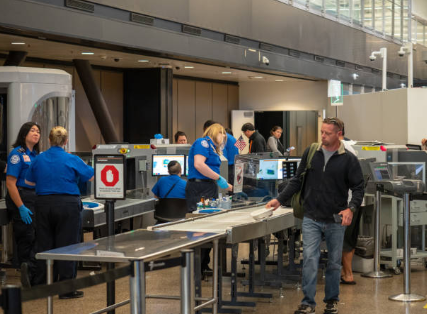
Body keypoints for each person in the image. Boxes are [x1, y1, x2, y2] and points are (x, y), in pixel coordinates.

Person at [266, 117, 364, 314]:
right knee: (310, 259)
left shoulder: (349, 159)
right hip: (311, 217)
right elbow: (296, 180)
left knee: (334, 263)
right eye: (322, 132)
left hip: (335, 219)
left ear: (339, 134)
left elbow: (359, 186)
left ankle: (331, 301)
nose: (323, 136)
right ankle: (308, 302)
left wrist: (351, 208)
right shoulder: (312, 152)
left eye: (327, 133)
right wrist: (279, 199)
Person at [25, 126, 94, 299]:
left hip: (43, 204)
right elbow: (91, 176)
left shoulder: (39, 159)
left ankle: (42, 286)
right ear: (65, 141)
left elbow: (28, 181)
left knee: (43, 245)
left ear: (48, 140)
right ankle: (66, 289)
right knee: (68, 246)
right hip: (67, 205)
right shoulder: (72, 158)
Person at [186, 123, 232, 273]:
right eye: (222, 133)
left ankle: (204, 264)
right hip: (199, 188)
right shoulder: (202, 143)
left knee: (208, 227)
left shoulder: (213, 147)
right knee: (200, 228)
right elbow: (199, 165)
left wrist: (227, 184)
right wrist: (219, 178)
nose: (224, 136)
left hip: (208, 187)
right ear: (214, 132)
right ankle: (196, 268)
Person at [5, 122, 40, 279]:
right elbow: (10, 183)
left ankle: (32, 270)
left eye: (38, 131)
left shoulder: (36, 156)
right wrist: (20, 206)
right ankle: (26, 271)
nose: (36, 133)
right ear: (24, 134)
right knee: (26, 235)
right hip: (20, 196)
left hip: (34, 197)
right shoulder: (16, 154)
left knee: (34, 234)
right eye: (32, 130)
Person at [339, 125, 362, 285]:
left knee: (344, 239)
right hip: (355, 202)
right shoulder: (352, 147)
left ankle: (348, 274)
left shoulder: (343, 148)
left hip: (346, 203)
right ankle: (346, 272)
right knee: (350, 238)